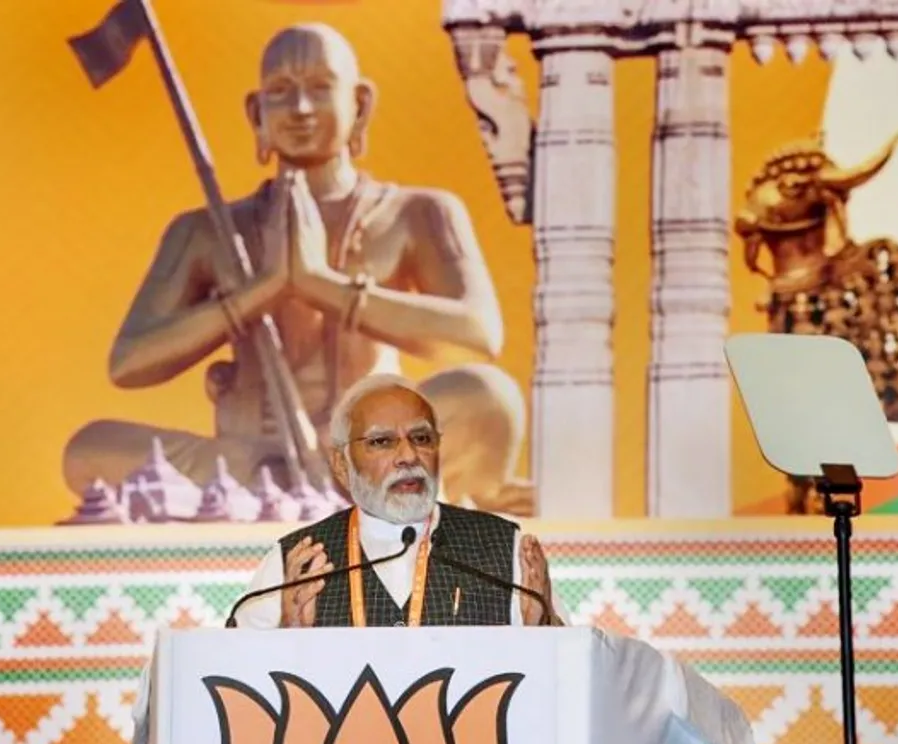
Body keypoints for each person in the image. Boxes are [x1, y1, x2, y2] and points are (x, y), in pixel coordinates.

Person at [63, 22, 533, 515]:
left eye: (320, 88)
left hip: (373, 447)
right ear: (256, 113)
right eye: (281, 92)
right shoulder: (208, 230)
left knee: (490, 397)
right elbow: (129, 362)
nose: (301, 108)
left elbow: (479, 334)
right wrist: (259, 291)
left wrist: (320, 284)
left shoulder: (417, 213)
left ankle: (394, 492)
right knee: (88, 452)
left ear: (361, 104)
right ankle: (378, 497)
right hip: (246, 461)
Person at [232, 374, 568, 628]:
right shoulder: (297, 561)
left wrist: (542, 631)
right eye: (382, 441)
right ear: (341, 464)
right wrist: (286, 636)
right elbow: (235, 682)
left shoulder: (503, 549)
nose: (408, 455)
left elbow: (571, 675)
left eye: (421, 438)